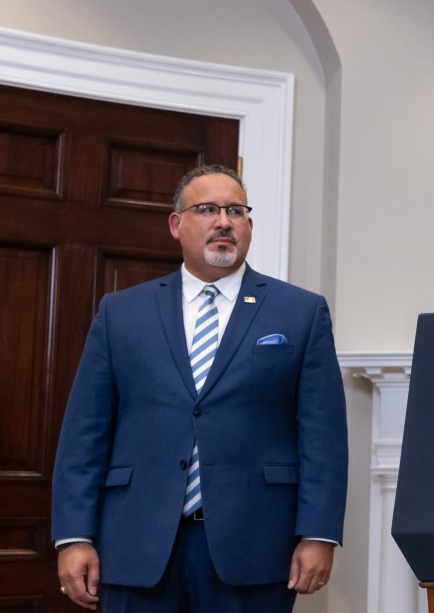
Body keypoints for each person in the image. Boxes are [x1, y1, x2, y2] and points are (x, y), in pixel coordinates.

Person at [52, 165, 348, 612]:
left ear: (248, 225)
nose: (223, 221)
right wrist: (74, 536)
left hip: (256, 546)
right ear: (177, 224)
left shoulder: (300, 313)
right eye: (207, 209)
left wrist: (318, 533)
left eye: (235, 210)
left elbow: (323, 435)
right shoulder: (121, 313)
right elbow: (84, 433)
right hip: (136, 545)